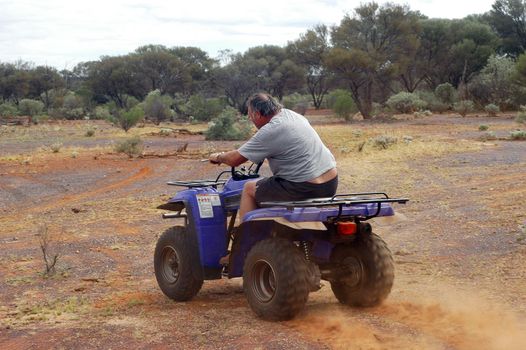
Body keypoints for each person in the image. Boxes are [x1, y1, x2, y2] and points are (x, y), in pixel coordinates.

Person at [209, 92, 337, 221]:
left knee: (248, 188)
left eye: (250, 116)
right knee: (270, 183)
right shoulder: (292, 115)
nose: (250, 119)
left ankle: (248, 238)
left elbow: (234, 159)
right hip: (330, 183)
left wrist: (219, 157)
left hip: (304, 188)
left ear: (257, 114)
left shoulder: (272, 129)